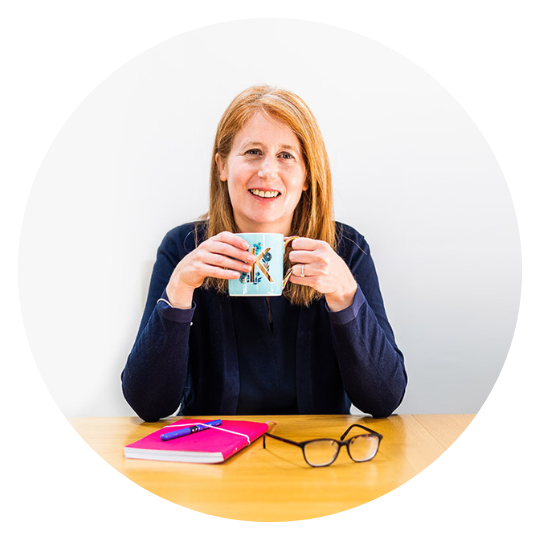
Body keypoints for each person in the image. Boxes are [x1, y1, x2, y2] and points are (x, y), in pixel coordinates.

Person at [121, 85, 407, 422]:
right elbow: (148, 405)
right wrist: (180, 291)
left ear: (306, 176)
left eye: (286, 155)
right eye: (253, 152)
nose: (267, 171)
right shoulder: (183, 247)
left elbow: (385, 399)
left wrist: (345, 294)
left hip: (318, 456)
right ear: (222, 166)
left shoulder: (346, 249)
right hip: (213, 459)